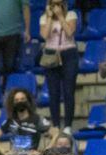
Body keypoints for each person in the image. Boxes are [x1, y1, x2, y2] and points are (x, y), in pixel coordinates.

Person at [39, 0, 78, 134]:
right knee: (53, 93)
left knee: (68, 91)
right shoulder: (44, 18)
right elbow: (44, 35)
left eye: (58, 4)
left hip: (69, 54)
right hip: (51, 55)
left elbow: (69, 32)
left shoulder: (71, 15)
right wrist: (50, 17)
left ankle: (67, 125)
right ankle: (55, 124)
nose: (56, 7)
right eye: (53, 4)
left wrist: (61, 16)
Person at [0, 87, 52, 155]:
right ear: (13, 103)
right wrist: (4, 152)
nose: (20, 102)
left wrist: (43, 153)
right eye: (16, 100)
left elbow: (55, 134)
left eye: (22, 99)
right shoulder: (10, 121)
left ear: (28, 101)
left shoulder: (37, 119)